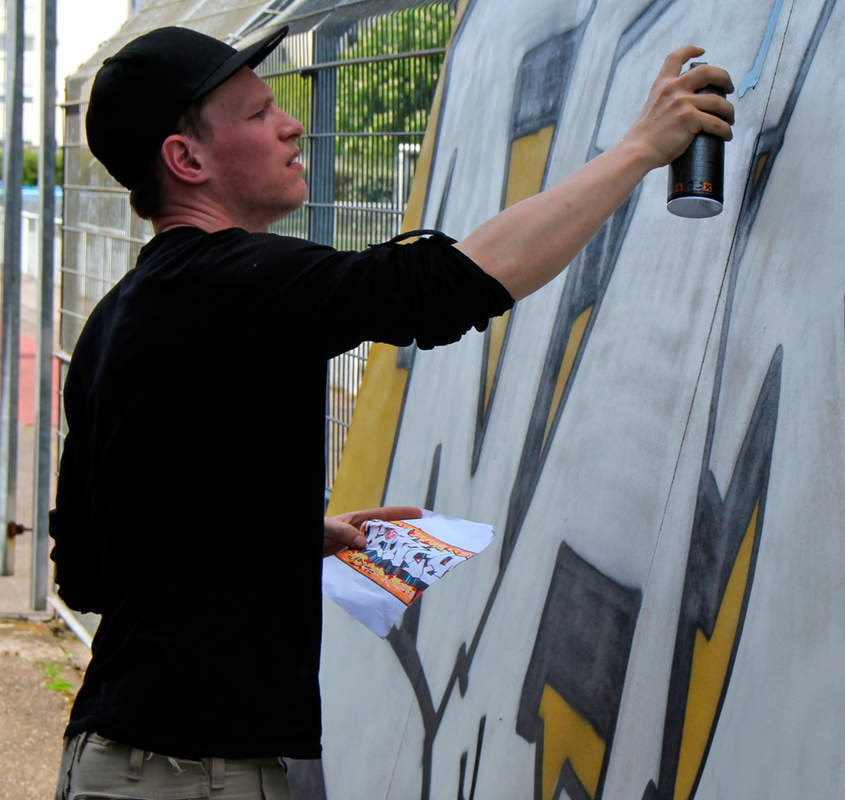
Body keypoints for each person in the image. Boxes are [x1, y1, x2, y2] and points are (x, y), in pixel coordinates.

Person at [50, 23, 734, 800]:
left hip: (115, 756)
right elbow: (448, 288)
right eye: (256, 113)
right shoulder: (235, 281)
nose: (291, 124)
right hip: (192, 775)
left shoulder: (118, 317)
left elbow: (91, 567)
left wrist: (288, 536)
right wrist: (641, 148)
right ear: (188, 160)